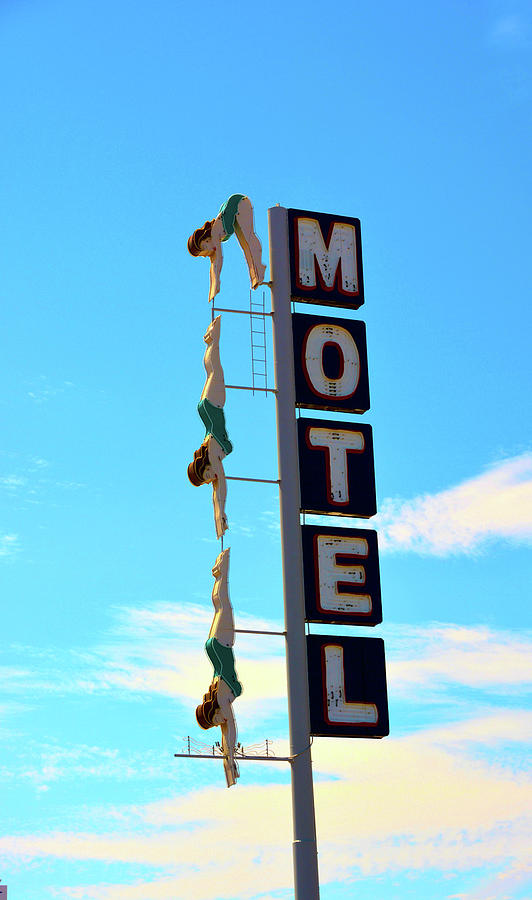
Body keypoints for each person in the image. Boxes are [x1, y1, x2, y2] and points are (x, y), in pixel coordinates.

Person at [195, 548, 242, 788]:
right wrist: (228, 759)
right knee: (219, 605)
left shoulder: (222, 699)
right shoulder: (219, 695)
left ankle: (222, 570)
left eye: (216, 718)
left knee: (224, 604)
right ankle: (219, 573)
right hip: (214, 647)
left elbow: (230, 730)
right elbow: (227, 730)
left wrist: (230, 757)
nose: (221, 719)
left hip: (222, 645)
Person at [187, 315, 231, 539]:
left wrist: (221, 514)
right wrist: (218, 517)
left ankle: (214, 338)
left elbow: (221, 489)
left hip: (213, 408)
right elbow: (216, 491)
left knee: (215, 371)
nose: (211, 475)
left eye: (206, 473)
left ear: (204, 464)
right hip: (207, 410)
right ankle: (211, 340)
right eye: (207, 477)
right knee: (212, 371)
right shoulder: (212, 453)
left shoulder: (214, 456)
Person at [187, 194, 267, 302]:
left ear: (206, 239)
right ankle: (256, 274)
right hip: (234, 211)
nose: (208, 253)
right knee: (245, 245)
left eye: (205, 247)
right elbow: (213, 265)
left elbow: (218, 260)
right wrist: (213, 289)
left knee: (248, 239)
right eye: (204, 255)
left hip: (240, 203)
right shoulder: (215, 238)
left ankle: (258, 271)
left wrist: (215, 288)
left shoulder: (215, 233)